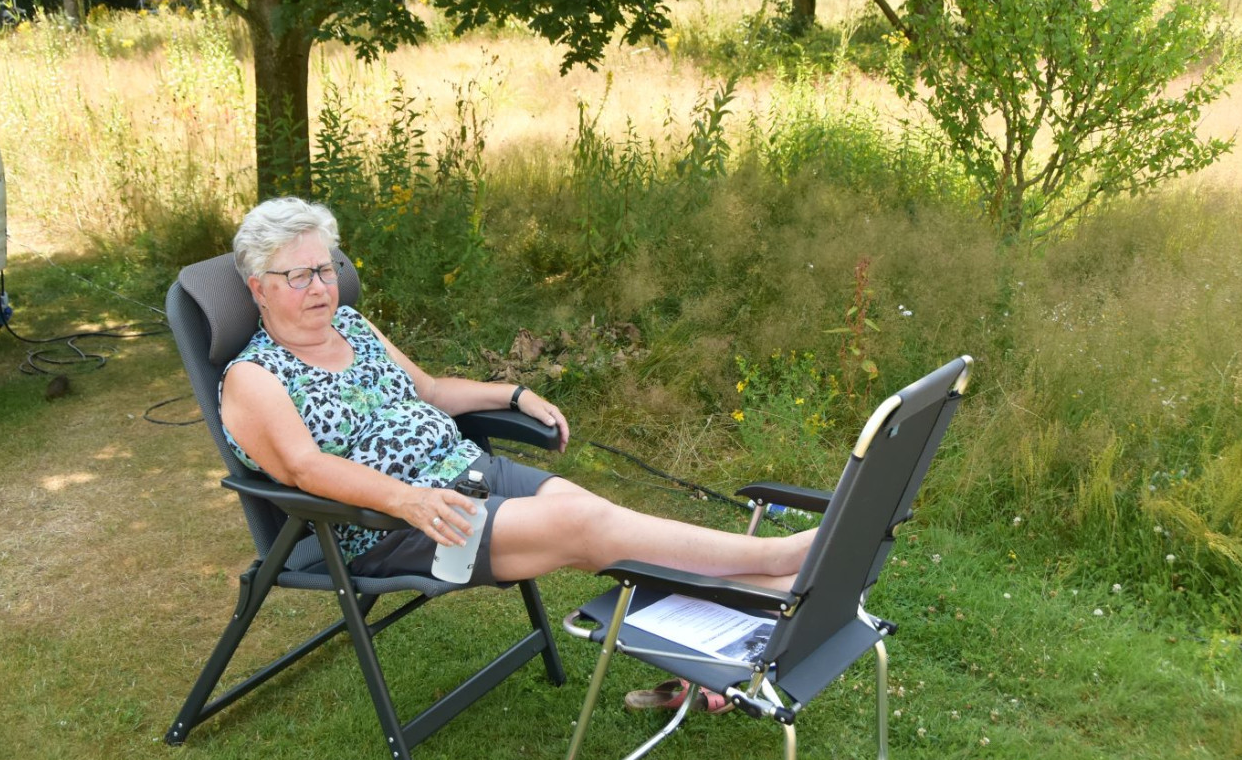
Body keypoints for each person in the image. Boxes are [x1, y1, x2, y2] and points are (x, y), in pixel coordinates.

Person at [219, 197, 815, 599]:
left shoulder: (352, 326)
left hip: (469, 473)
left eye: (325, 269)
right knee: (586, 525)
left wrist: (513, 392)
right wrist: (408, 500)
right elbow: (305, 467)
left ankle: (764, 598)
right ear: (259, 289)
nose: (321, 287)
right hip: (392, 524)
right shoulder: (254, 376)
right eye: (299, 276)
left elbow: (430, 391)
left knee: (597, 520)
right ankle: (777, 558)